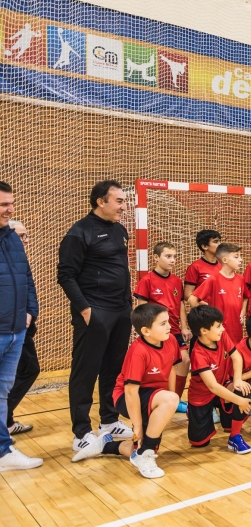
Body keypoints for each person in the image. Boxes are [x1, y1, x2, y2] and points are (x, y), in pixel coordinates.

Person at [57, 180, 135, 454]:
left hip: (120, 310)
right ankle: (80, 432)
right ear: (101, 202)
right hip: (94, 312)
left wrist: (128, 303)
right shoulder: (79, 233)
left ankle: (109, 420)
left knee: (113, 369)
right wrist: (87, 310)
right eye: (119, 201)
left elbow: (120, 269)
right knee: (85, 371)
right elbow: (65, 276)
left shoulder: (120, 231)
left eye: (124, 201)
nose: (124, 207)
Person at [72, 304, 180, 478]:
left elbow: (172, 370)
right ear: (145, 331)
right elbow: (130, 391)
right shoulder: (138, 352)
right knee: (148, 438)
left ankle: (106, 445)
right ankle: (145, 456)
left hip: (154, 396)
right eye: (163, 323)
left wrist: (172, 399)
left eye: (168, 322)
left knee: (144, 443)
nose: (169, 326)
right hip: (126, 398)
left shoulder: (171, 341)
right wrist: (137, 426)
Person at [0, 183, 42, 471]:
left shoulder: (12, 238)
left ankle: (3, 451)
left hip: (16, 330)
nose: (11, 209)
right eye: (4, 205)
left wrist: (30, 311)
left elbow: (26, 277)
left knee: (2, 392)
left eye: (11, 203)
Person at [185, 306, 251, 453]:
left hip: (222, 387)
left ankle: (235, 436)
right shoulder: (198, 354)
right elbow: (213, 387)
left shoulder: (222, 336)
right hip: (202, 396)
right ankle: (192, 411)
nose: (222, 329)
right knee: (200, 443)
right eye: (218, 326)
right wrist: (238, 401)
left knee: (242, 389)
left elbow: (236, 357)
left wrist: (238, 380)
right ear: (203, 331)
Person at [134, 242, 190, 412]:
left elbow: (180, 305)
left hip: (174, 331)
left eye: (174, 257)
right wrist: (146, 331)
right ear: (156, 258)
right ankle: (150, 400)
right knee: (159, 367)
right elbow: (140, 308)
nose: (172, 260)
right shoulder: (147, 280)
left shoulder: (176, 281)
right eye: (168, 256)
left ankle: (176, 399)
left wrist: (184, 327)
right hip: (156, 333)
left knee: (184, 361)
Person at [5, 220, 40, 439]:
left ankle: (6, 420)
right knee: (28, 369)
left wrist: (30, 312)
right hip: (9, 327)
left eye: (26, 235)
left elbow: (30, 289)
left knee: (22, 371)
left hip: (22, 326)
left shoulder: (19, 260)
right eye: (21, 235)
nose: (25, 240)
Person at [188, 243, 249, 343]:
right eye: (236, 257)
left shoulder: (240, 279)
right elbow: (192, 299)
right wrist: (208, 317)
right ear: (224, 260)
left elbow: (246, 297)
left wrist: (242, 312)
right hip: (219, 332)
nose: (241, 259)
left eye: (240, 256)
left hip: (236, 330)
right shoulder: (213, 279)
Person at [183, 229, 222, 301]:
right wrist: (205, 306)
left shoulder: (223, 265)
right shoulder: (195, 267)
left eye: (220, 241)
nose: (220, 244)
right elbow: (187, 295)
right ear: (204, 246)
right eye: (216, 242)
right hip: (204, 310)